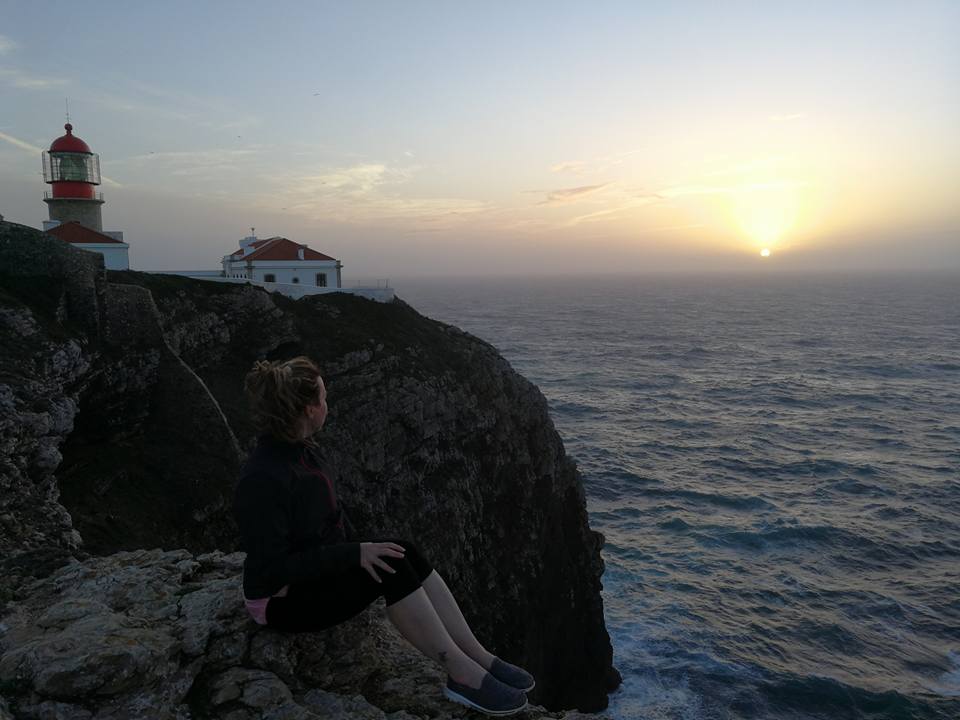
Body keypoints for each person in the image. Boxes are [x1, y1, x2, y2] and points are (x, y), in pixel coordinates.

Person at [234, 356, 534, 716]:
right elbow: (272, 567)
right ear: (309, 409)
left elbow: (329, 523)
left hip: (309, 576)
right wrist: (353, 556)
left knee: (400, 551)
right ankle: (462, 675)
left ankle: (477, 655)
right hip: (279, 601)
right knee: (389, 570)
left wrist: (361, 550)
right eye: (324, 398)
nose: (329, 405)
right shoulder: (263, 478)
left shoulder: (304, 451)